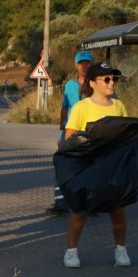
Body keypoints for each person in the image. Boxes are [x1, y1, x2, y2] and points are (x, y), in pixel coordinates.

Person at [62, 62, 132, 268]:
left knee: (118, 211)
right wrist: (91, 142)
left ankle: (121, 250)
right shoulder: (81, 107)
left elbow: (126, 133)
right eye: (107, 79)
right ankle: (71, 252)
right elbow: (69, 137)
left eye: (114, 79)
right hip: (88, 168)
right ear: (93, 83)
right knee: (80, 211)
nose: (112, 83)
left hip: (113, 167)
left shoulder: (119, 106)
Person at [47, 50, 93, 215]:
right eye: (81, 63)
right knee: (62, 165)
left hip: (90, 132)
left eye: (87, 62)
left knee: (89, 168)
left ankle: (89, 203)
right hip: (70, 131)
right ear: (76, 65)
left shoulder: (96, 84)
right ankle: (61, 203)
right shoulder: (70, 85)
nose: (84, 66)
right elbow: (64, 107)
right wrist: (61, 128)